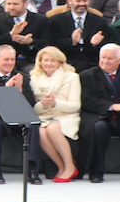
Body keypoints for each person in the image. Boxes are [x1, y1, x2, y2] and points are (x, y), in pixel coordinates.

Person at [78, 44, 120, 183]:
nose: (105, 61)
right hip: (98, 115)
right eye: (103, 57)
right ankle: (96, 171)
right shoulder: (86, 76)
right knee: (98, 128)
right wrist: (113, 106)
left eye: (110, 58)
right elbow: (86, 101)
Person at [0, 44, 39, 184]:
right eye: (6, 59)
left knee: (33, 123)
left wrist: (20, 91)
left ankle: (32, 168)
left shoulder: (23, 78)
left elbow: (31, 105)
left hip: (17, 115)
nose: (10, 63)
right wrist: (5, 91)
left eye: (12, 59)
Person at [27, 46, 81, 183]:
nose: (48, 63)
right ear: (40, 62)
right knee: (39, 131)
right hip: (44, 116)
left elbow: (75, 105)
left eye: (53, 60)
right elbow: (34, 108)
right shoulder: (33, 78)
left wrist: (55, 104)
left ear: (60, 62)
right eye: (45, 60)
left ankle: (70, 165)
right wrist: (44, 104)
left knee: (53, 127)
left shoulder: (72, 77)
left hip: (66, 115)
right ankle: (62, 166)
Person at [0, 0, 50, 70]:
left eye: (15, 4)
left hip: (30, 60)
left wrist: (31, 42)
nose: (11, 7)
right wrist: (10, 35)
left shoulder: (41, 20)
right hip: (3, 62)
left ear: (26, 4)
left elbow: (48, 43)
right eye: (8, 4)